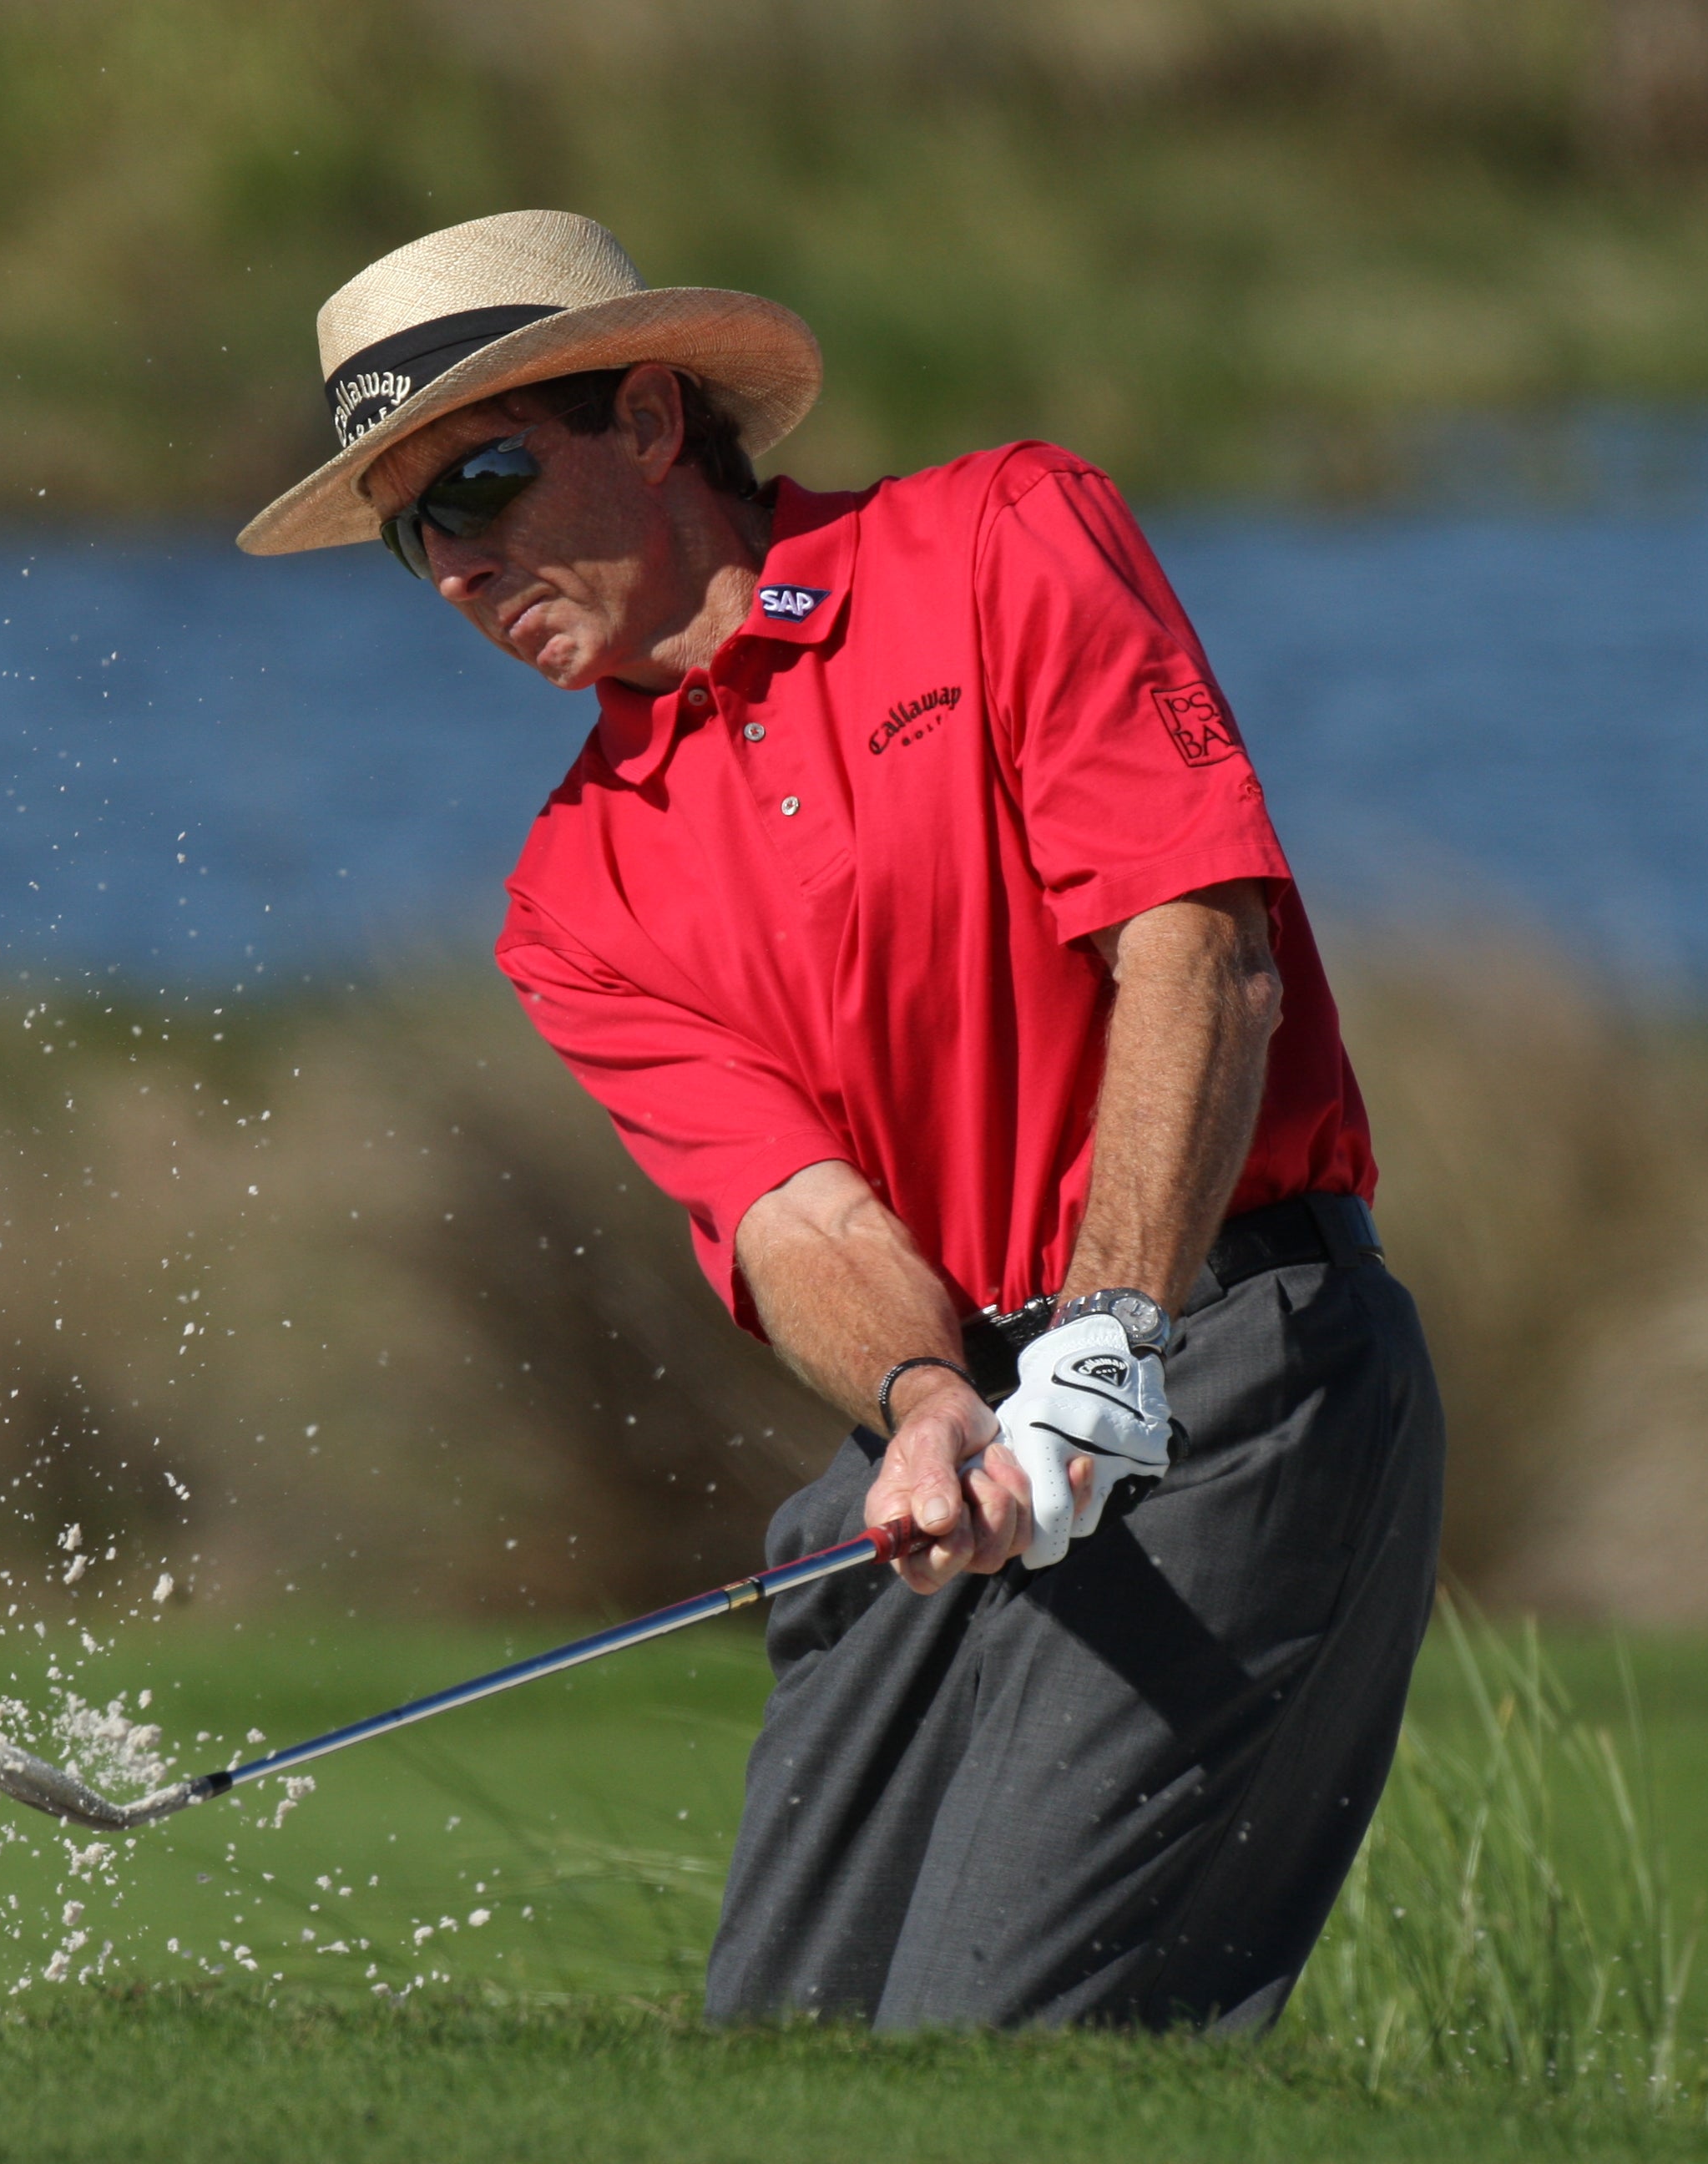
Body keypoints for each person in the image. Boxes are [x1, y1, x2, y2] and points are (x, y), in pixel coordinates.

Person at [237, 210, 1443, 2031]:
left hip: (1230, 1369)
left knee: (1010, 2047)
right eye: (413, 534)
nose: (456, 571)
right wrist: (926, 1399)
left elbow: (1201, 951)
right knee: (782, 2062)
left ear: (652, 417)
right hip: (961, 1462)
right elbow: (800, 1220)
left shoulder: (993, 542)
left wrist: (1115, 1337)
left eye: (481, 483)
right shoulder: (574, 893)